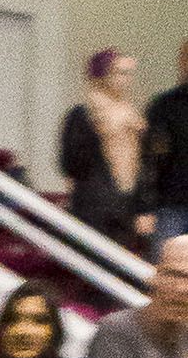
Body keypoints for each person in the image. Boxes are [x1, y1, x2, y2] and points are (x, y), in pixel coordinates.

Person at [61, 49, 157, 260]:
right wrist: (103, 131)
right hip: (93, 208)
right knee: (93, 266)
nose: (126, 80)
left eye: (129, 73)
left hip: (126, 206)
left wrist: (144, 207)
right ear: (103, 74)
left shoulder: (134, 117)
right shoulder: (82, 115)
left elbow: (144, 166)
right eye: (119, 73)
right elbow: (71, 163)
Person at [141, 39, 188, 250]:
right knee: (165, 267)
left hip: (171, 205)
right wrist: (146, 207)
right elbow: (150, 160)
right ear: (182, 62)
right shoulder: (164, 106)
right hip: (171, 205)